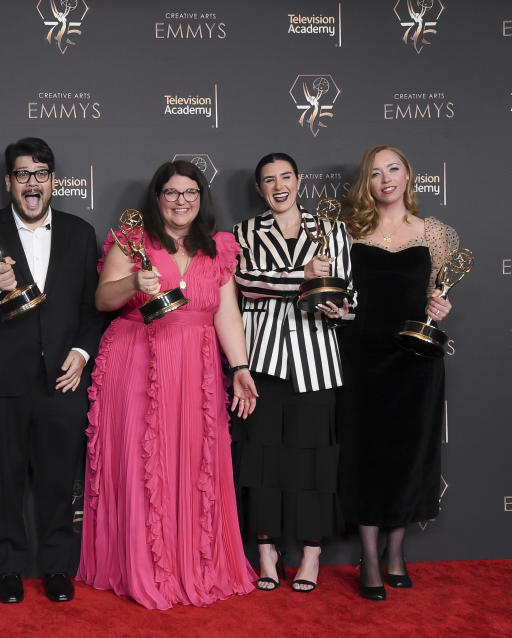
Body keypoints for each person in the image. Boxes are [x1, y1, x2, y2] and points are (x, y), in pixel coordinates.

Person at [77, 159, 258, 610]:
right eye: (172, 193)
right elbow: (103, 299)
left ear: (201, 199)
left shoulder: (218, 247)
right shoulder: (132, 240)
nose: (182, 201)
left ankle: (194, 565)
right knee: (144, 463)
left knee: (195, 462)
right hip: (139, 359)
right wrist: (133, 282)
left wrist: (239, 367)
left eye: (190, 193)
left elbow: (226, 312)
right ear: (157, 198)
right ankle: (143, 567)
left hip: (196, 367)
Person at [0, 137, 104, 604]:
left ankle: (57, 566)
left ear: (53, 180)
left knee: (59, 481)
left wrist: (81, 351)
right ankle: (8, 569)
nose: (31, 183)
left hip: (63, 379)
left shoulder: (80, 232)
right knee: (2, 481)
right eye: (22, 174)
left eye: (40, 173)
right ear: (8, 182)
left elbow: (92, 307)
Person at [337, 145, 458, 601]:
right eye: (375, 172)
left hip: (414, 360)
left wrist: (440, 307)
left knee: (409, 454)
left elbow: (437, 294)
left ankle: (396, 552)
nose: (385, 178)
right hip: (361, 357)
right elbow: (341, 295)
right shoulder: (348, 232)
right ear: (365, 183)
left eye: (393, 169)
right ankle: (368, 558)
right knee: (363, 454)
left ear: (408, 174)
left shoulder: (437, 234)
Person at [231, 153, 353, 593]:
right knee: (261, 460)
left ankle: (312, 553)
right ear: (260, 189)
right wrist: (301, 278)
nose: (278, 185)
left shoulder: (333, 230)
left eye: (285, 177)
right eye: (269, 180)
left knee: (314, 461)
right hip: (261, 362)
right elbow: (248, 282)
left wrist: (338, 307)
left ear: (299, 181)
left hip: (316, 364)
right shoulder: (245, 232)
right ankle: (266, 551)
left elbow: (347, 296)